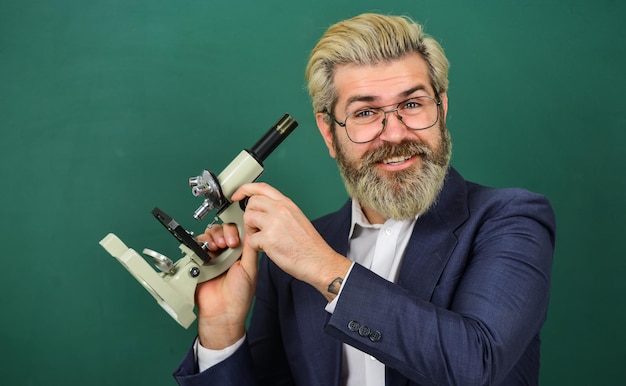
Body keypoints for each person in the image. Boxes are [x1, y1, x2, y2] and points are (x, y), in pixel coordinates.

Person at [173, 13, 556, 386]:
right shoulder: (285, 262)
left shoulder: (510, 220)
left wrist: (321, 266)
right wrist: (221, 328)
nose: (393, 134)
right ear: (329, 133)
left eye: (411, 104)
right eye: (366, 112)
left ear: (441, 108)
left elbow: (477, 365)